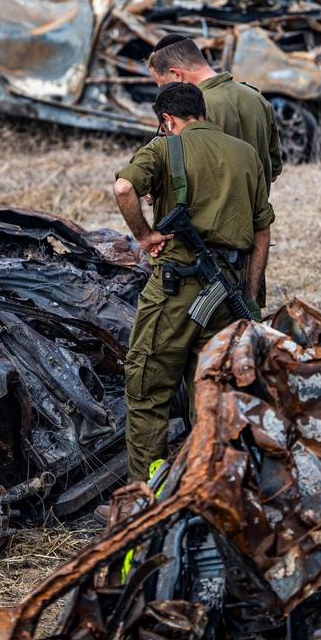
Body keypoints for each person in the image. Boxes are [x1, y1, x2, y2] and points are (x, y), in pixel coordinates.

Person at [113, 82, 273, 482]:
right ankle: (206, 485)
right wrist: (249, 294)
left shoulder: (165, 148)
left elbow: (124, 187)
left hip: (173, 291)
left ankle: (144, 497)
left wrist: (144, 236)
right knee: (211, 393)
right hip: (226, 294)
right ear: (202, 111)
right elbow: (262, 232)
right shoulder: (246, 154)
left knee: (149, 391)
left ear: (167, 119)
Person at [145, 35, 282, 190]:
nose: (162, 92)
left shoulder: (187, 111)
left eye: (162, 85)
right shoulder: (257, 98)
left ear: (176, 74)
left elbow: (180, 175)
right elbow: (274, 168)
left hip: (208, 212)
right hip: (256, 211)